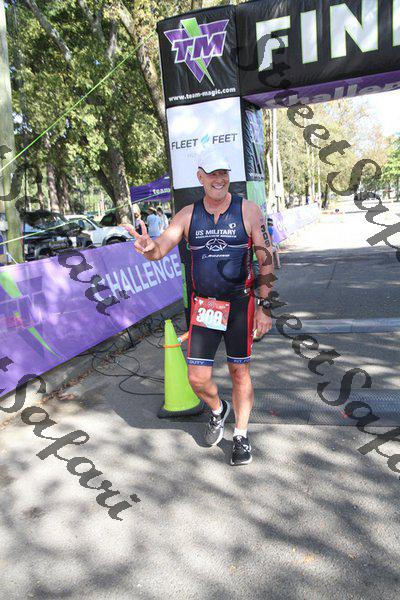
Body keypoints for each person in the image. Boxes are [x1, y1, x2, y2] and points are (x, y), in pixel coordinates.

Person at [132, 150, 274, 466]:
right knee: (196, 377)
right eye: (212, 174)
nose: (219, 179)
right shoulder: (187, 215)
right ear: (200, 177)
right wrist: (148, 248)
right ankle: (218, 410)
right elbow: (160, 249)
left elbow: (265, 259)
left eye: (223, 173)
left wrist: (265, 306)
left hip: (240, 304)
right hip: (206, 307)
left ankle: (241, 435)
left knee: (239, 371)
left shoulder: (248, 210)